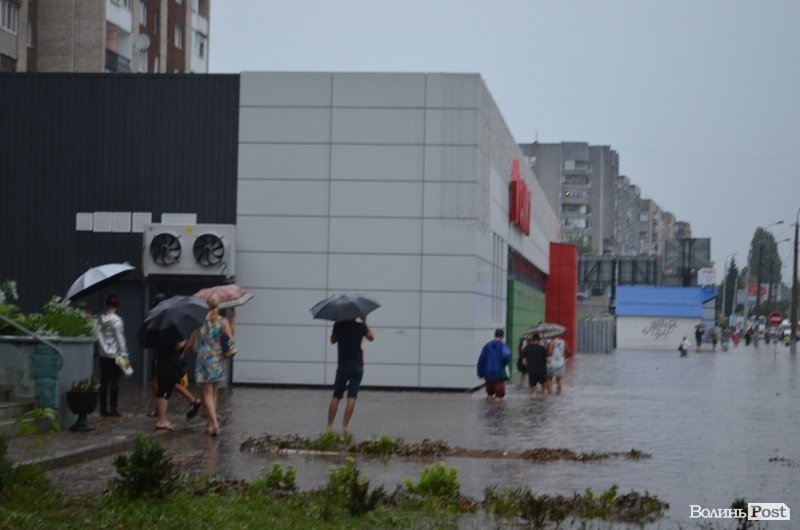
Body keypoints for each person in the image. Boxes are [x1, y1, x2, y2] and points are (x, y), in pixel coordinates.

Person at [147, 294, 201, 420]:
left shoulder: (164, 320)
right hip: (176, 356)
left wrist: (181, 347)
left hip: (167, 357)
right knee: (169, 382)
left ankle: (160, 411)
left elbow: (177, 344)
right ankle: (192, 400)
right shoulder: (179, 318)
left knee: (163, 381)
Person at [194, 294, 233, 436]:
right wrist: (232, 322)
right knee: (214, 393)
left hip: (203, 359)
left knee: (207, 393)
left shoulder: (199, 320)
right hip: (218, 358)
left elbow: (194, 338)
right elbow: (230, 340)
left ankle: (214, 424)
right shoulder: (223, 321)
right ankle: (210, 425)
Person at [327, 317, 374, 432]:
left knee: (336, 396)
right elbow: (371, 337)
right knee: (352, 396)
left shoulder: (338, 326)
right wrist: (365, 322)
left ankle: (329, 426)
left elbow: (332, 341)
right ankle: (344, 427)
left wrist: (336, 327)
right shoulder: (361, 327)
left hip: (342, 366)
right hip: (357, 366)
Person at [96, 294, 127, 417]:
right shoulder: (117, 321)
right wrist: (124, 356)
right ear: (117, 305)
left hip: (103, 355)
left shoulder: (99, 319)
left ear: (107, 304)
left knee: (104, 382)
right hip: (116, 355)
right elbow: (120, 340)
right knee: (115, 382)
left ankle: (103, 409)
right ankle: (113, 408)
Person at [477, 329, 512, 402]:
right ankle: (498, 409)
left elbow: (481, 359)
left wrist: (480, 372)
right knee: (499, 395)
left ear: (494, 335)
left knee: (489, 394)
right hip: (498, 372)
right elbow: (507, 355)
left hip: (488, 372)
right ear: (503, 336)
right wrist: (504, 363)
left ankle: (489, 407)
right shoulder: (503, 346)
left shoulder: (487, 345)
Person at [522, 333, 550, 399]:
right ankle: (545, 401)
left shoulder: (527, 348)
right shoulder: (543, 348)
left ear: (532, 340)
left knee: (533, 389)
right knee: (544, 387)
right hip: (542, 371)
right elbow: (549, 360)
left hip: (532, 371)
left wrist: (529, 366)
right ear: (539, 340)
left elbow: (524, 362)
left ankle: (533, 402)